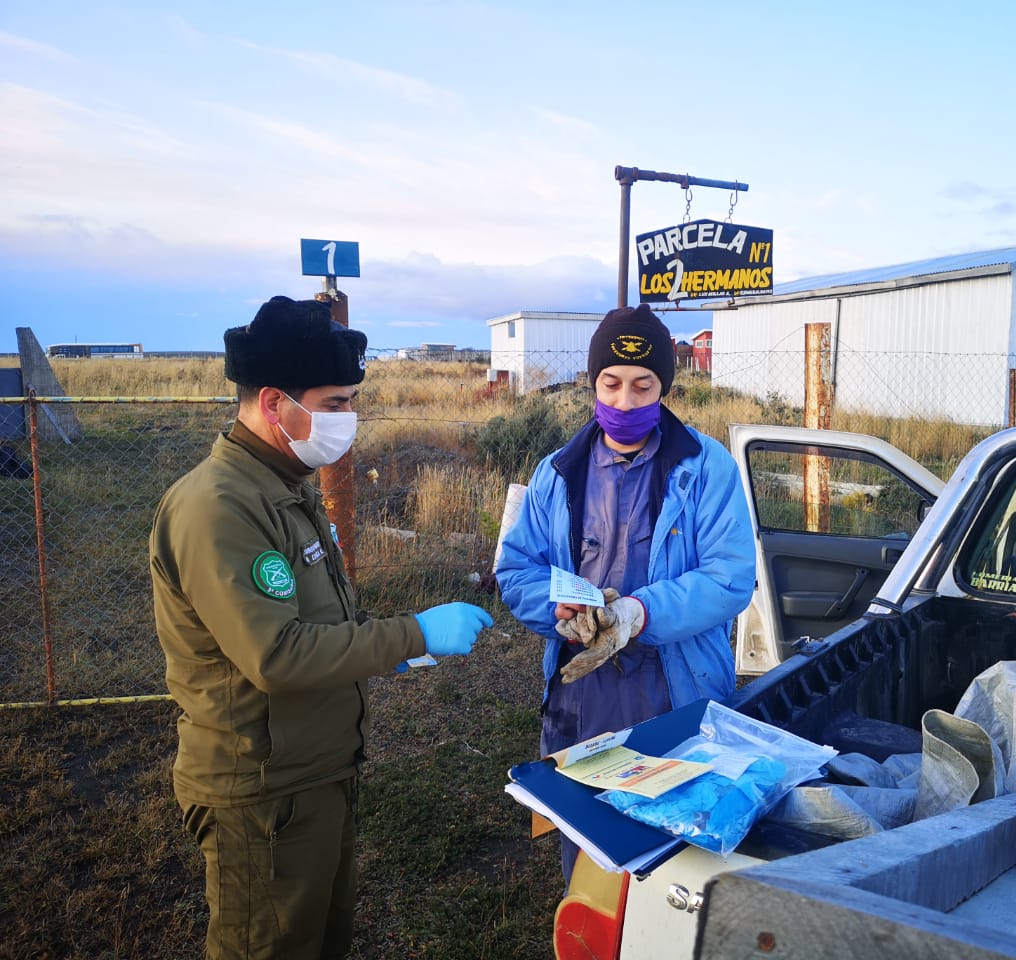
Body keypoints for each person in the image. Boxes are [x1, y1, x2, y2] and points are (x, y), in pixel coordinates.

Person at [150, 295, 492, 960]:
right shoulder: (219, 508)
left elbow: (317, 616)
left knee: (316, 941)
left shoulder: (286, 485)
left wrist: (373, 651)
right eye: (336, 403)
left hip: (312, 775)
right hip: (260, 794)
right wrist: (413, 634)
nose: (349, 419)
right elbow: (275, 653)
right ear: (277, 404)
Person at [495, 303, 755, 881]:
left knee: (673, 857)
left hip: (675, 692)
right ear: (593, 382)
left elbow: (730, 576)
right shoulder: (557, 472)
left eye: (644, 386)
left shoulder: (706, 469)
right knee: (587, 848)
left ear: (665, 387)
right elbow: (517, 570)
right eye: (611, 383)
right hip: (581, 694)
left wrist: (638, 613)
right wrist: (558, 609)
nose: (625, 401)